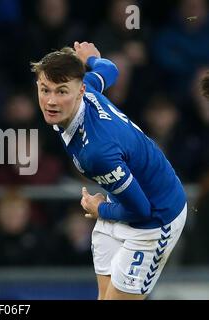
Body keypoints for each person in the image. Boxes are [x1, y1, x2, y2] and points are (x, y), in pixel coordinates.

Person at [30, 42, 187, 300]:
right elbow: (109, 69)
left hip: (156, 218)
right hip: (122, 201)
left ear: (80, 91)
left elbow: (141, 210)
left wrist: (98, 209)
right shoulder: (88, 88)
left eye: (61, 92)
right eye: (45, 89)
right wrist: (91, 59)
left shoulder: (97, 153)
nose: (51, 101)